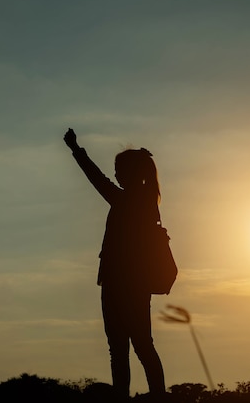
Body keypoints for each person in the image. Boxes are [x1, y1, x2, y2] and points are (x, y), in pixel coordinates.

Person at [63, 128, 166, 401]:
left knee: (128, 347)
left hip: (125, 284)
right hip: (124, 283)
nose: (116, 175)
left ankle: (143, 395)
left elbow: (98, 181)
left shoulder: (132, 201)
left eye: (119, 170)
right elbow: (103, 182)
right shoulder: (143, 200)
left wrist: (76, 150)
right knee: (134, 345)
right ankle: (153, 394)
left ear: (132, 173)